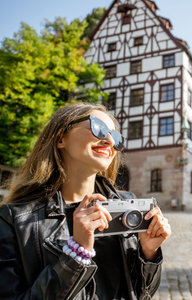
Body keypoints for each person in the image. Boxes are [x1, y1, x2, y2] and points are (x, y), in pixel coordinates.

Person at [0, 103, 171, 299]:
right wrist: (76, 254)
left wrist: (148, 253)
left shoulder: (127, 208)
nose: (109, 141)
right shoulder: (14, 219)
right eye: (98, 128)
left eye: (116, 138)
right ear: (60, 138)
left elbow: (142, 293)